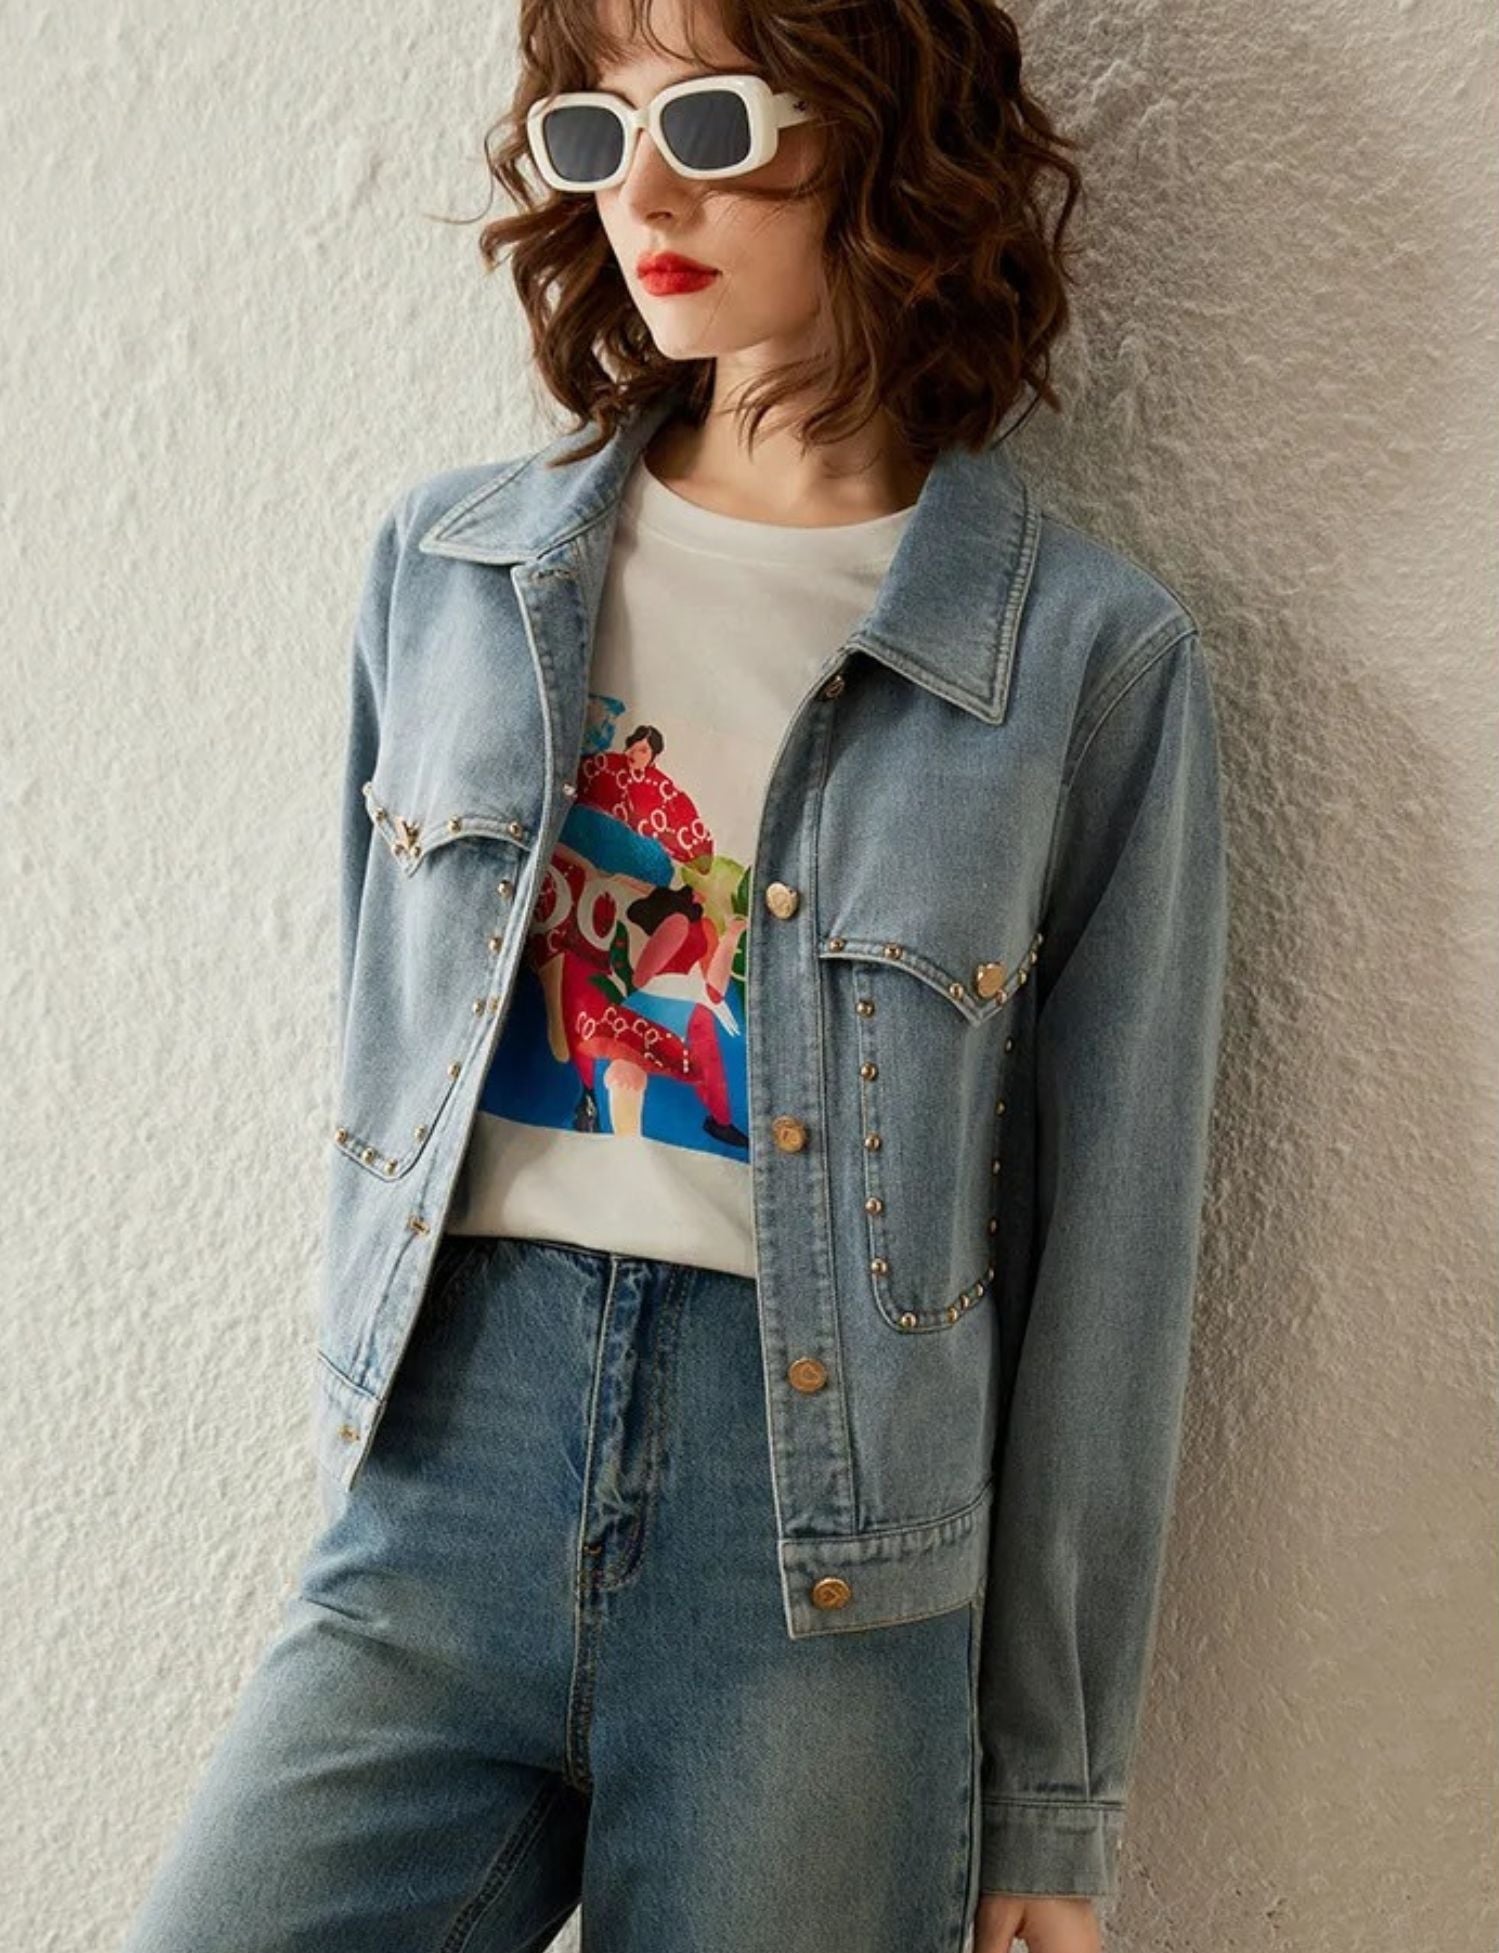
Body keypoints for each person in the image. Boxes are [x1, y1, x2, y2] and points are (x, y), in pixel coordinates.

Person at [120, 2, 1229, 1950]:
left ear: (887, 138)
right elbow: (381, 1063)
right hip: (440, 1491)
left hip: (819, 1554)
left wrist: (1051, 1792)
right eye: (591, 128)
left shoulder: (1086, 662)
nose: (641, 189)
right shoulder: (447, 571)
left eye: (710, 120)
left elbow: (1111, 1261)